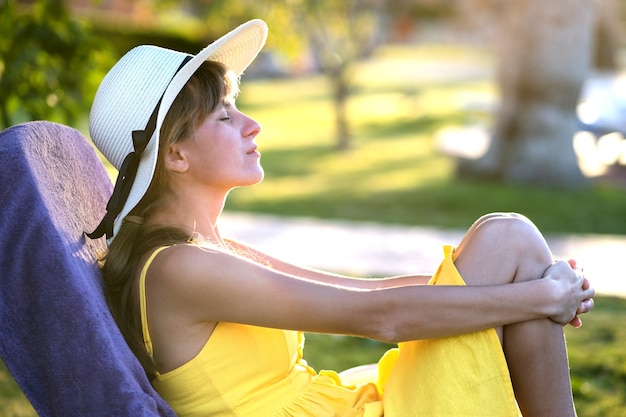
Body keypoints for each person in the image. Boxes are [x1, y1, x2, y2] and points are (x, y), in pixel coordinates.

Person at [87, 19, 595, 417]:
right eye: (224, 116)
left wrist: (524, 290)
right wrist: (540, 297)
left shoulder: (204, 249)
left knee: (514, 252)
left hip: (344, 404)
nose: (251, 124)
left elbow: (367, 293)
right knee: (509, 239)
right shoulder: (181, 269)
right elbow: (380, 319)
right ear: (174, 155)